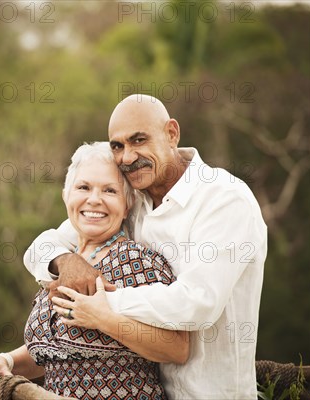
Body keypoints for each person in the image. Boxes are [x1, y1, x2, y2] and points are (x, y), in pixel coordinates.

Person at [24, 94, 267, 399]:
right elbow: (41, 247)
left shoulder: (224, 199)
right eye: (118, 146)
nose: (127, 157)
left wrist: (103, 303)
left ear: (172, 134)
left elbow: (199, 302)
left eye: (138, 140)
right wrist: (65, 261)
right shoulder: (133, 199)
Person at [0, 142, 189, 400]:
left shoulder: (139, 261)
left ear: (127, 206)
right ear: (66, 195)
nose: (94, 199)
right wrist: (7, 361)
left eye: (109, 191)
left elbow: (177, 348)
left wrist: (102, 319)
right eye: (83, 187)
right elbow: (55, 353)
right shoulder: (68, 262)